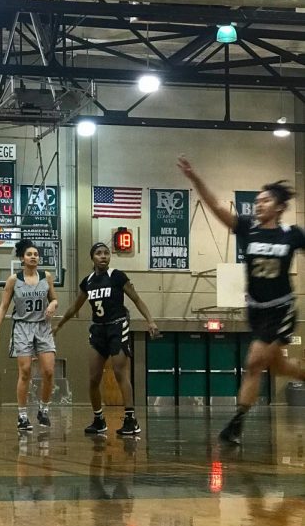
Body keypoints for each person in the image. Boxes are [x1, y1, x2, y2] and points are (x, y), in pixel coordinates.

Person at [178, 156, 305, 445]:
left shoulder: (292, 235)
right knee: (279, 368)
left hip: (282, 308)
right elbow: (216, 207)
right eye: (257, 201)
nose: (258, 204)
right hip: (256, 310)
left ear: (280, 207)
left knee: (253, 362)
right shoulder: (248, 228)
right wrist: (194, 178)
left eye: (265, 201)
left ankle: (236, 424)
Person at [54, 242, 159, 437]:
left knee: (120, 372)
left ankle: (130, 419)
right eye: (99, 253)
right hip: (98, 330)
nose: (103, 256)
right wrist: (60, 324)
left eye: (106, 253)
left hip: (117, 326)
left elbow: (136, 299)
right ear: (92, 258)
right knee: (94, 378)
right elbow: (75, 307)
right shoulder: (88, 281)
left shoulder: (117, 276)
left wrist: (150, 321)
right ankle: (98, 419)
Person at [0, 238, 58, 433]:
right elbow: (3, 307)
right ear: (22, 258)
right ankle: (22, 415)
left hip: (43, 327)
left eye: (36, 254)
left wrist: (53, 304)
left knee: (49, 371)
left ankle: (44, 409)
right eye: (29, 254)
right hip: (22, 327)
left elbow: (54, 299)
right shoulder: (14, 280)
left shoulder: (46, 277)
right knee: (25, 371)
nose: (33, 257)